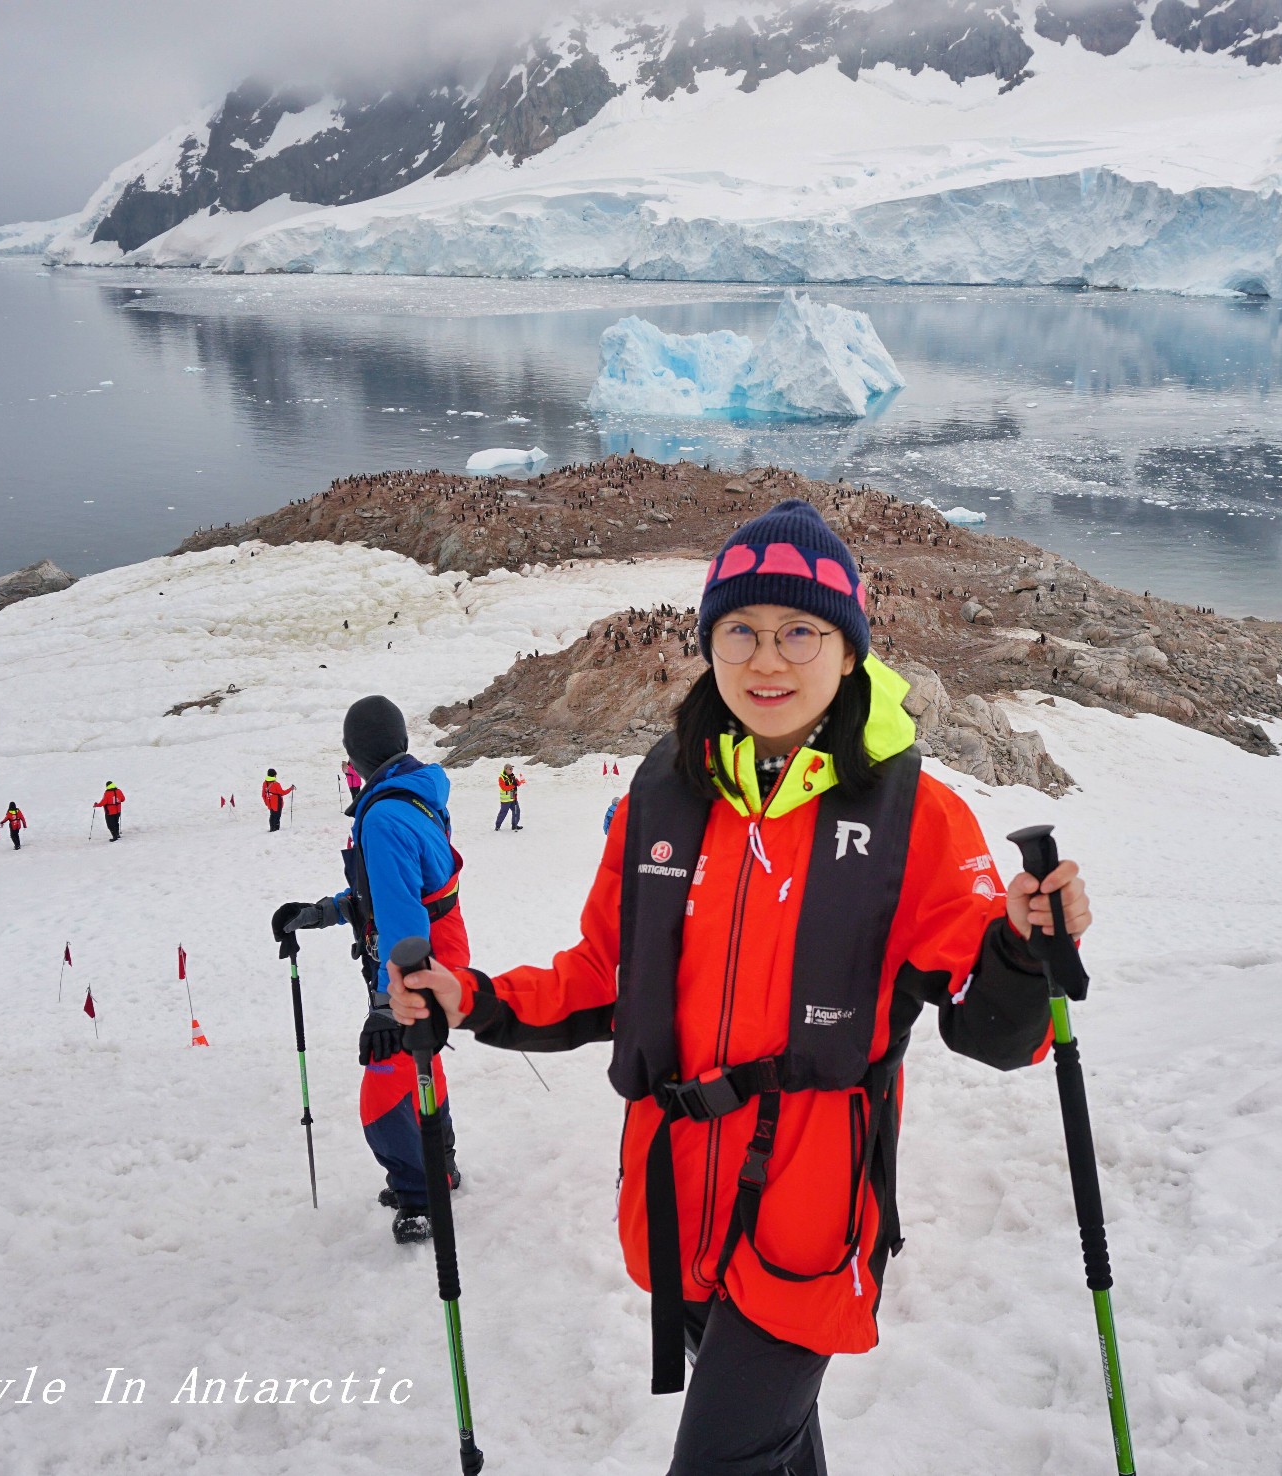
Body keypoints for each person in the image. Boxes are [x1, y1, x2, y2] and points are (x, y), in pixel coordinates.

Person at [389, 499, 1091, 1474]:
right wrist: (476, 998)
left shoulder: (911, 817)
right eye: (741, 631)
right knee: (772, 1450)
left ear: (847, 653)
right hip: (677, 1211)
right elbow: (603, 977)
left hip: (809, 1225)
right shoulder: (664, 795)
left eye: (800, 631)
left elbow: (992, 1029)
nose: (768, 659)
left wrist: (1022, 947)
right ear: (709, 647)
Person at [272, 696, 466, 1245]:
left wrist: (389, 1005)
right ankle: (440, 1166)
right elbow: (387, 894)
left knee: (383, 1088)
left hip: (416, 963)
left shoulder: (382, 817)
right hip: (438, 954)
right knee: (420, 1065)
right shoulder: (413, 798)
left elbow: (403, 916)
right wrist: (322, 913)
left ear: (353, 756)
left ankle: (420, 1195)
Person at [495, 763, 524, 832]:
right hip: (505, 800)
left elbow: (518, 783)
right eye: (510, 769)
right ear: (506, 769)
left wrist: (519, 782)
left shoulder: (512, 776)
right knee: (503, 813)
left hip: (513, 797)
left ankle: (514, 825)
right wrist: (513, 785)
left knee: (517, 811)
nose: (511, 770)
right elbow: (504, 788)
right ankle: (497, 826)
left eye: (512, 769)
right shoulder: (501, 778)